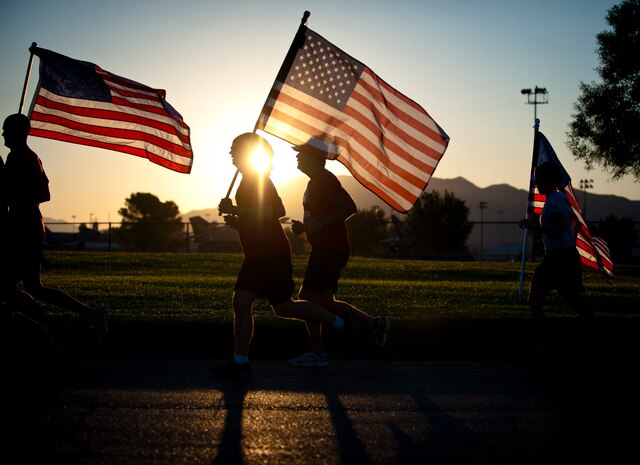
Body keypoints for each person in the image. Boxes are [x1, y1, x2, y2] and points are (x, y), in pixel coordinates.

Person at [212, 133, 346, 376]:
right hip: (259, 254)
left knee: (271, 305)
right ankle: (240, 362)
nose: (231, 153)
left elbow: (271, 211)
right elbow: (267, 214)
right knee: (262, 305)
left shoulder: (255, 178)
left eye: (235, 148)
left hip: (270, 254)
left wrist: (235, 208)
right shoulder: (250, 179)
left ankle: (338, 322)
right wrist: (240, 220)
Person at [2, 113, 107, 344]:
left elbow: (42, 194)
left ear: (18, 133)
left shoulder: (23, 158)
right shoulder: (22, 157)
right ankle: (89, 315)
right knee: (33, 287)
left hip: (24, 230)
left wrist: (13, 190)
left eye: (6, 130)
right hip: (25, 228)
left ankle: (52, 326)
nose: (2, 134)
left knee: (5, 289)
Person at [287, 145, 390, 368]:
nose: (296, 156)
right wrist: (304, 228)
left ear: (314, 158)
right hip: (325, 247)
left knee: (308, 300)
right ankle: (374, 325)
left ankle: (319, 351)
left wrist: (323, 224)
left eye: (301, 153)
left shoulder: (325, 179)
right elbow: (320, 216)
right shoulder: (314, 182)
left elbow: (350, 207)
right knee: (323, 301)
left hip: (330, 248)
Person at [518, 161, 596, 355]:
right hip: (562, 257)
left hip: (558, 259)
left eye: (539, 180)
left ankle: (540, 345)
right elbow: (571, 223)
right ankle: (599, 340)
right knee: (574, 302)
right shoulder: (557, 199)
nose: (536, 184)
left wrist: (531, 225)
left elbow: (557, 228)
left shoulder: (554, 201)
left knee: (536, 300)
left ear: (550, 181)